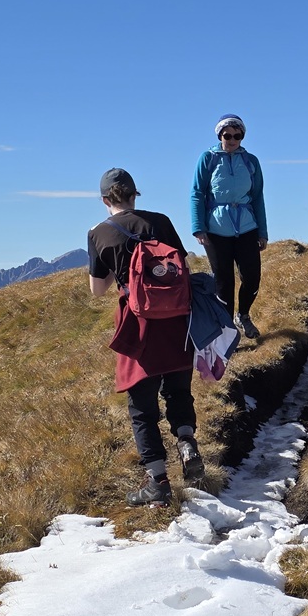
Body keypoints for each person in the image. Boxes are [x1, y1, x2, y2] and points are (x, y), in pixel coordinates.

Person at [88, 168, 203, 507]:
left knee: (142, 407)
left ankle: (157, 482)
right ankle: (186, 442)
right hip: (179, 318)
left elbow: (98, 290)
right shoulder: (161, 221)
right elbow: (183, 264)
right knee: (178, 390)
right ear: (135, 195)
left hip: (139, 324)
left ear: (105, 200)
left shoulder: (99, 233)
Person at [190, 114, 268, 339]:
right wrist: (198, 226)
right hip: (216, 230)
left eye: (238, 135)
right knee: (223, 282)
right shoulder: (208, 158)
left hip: (247, 227)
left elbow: (257, 197)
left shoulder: (251, 161)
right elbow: (197, 193)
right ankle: (227, 332)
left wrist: (262, 231)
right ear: (219, 135)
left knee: (252, 277)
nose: (232, 139)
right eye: (228, 135)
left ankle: (243, 315)